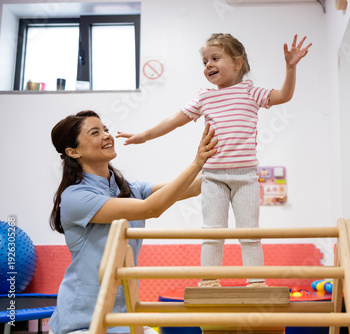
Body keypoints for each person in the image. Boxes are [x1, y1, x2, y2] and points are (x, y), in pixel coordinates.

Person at [117, 33, 311, 288]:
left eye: (215, 58)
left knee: (249, 232)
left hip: (246, 177)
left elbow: (284, 95)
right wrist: (145, 135)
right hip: (213, 177)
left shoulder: (251, 92)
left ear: (238, 63)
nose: (208, 65)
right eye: (205, 61)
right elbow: (174, 120)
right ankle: (209, 280)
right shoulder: (204, 97)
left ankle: (256, 282)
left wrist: (290, 68)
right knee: (212, 231)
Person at [48, 110, 217, 334]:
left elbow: (193, 187)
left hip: (123, 316)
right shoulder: (76, 197)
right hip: (81, 321)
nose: (107, 135)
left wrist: (232, 159)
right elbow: (151, 208)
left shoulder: (129, 188)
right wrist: (197, 162)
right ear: (73, 151)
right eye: (95, 132)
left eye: (106, 129)